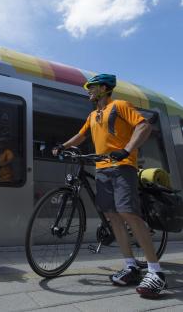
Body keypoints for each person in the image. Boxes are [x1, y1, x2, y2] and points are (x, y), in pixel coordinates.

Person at [52, 74, 167, 298]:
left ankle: (156, 272)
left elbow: (143, 127)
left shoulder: (120, 105)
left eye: (92, 87)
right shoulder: (93, 115)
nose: (88, 91)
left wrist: (127, 149)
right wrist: (62, 146)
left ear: (104, 88)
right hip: (102, 169)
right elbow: (80, 135)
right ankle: (130, 266)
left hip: (122, 166)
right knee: (112, 216)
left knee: (127, 212)